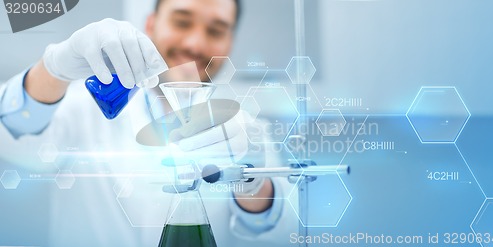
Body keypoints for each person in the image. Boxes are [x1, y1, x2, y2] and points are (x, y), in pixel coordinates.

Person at [0, 0, 296, 246]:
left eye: (216, 30)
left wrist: (251, 179)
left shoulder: (245, 130)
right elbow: (12, 137)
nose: (195, 43)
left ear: (230, 42)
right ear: (152, 25)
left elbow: (276, 231)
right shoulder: (83, 107)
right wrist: (53, 69)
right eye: (182, 22)